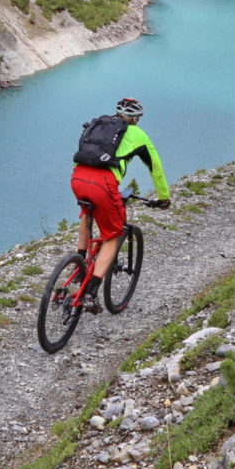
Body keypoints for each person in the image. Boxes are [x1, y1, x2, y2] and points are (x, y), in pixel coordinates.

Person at [70, 97, 170, 312]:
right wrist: (164, 197)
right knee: (113, 236)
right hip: (103, 183)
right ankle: (90, 294)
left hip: (78, 177)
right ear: (136, 118)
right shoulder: (137, 134)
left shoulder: (98, 125)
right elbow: (156, 168)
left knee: (87, 211)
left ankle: (79, 263)